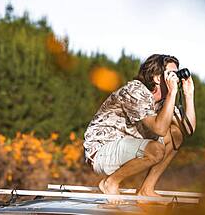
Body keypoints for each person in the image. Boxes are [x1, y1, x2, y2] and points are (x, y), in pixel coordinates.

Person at [83, 54, 196, 199]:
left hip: (125, 147)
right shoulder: (135, 91)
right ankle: (110, 183)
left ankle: (146, 189)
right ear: (156, 77)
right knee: (156, 150)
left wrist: (189, 94)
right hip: (101, 151)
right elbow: (160, 129)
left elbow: (189, 130)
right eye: (171, 74)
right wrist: (172, 93)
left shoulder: (163, 101)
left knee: (176, 134)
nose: (175, 79)